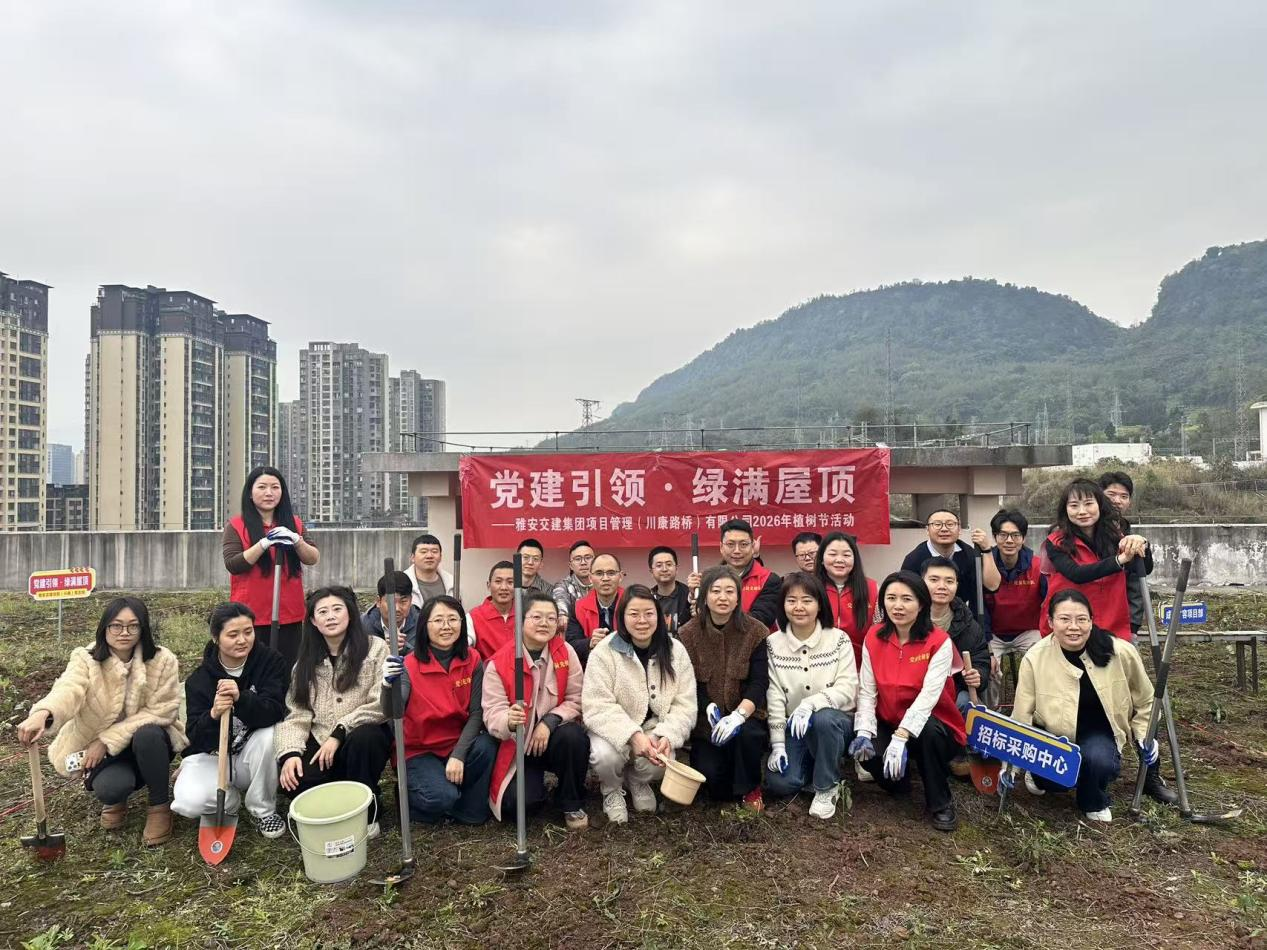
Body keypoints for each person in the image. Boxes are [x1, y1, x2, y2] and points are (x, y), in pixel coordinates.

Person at [16, 597, 188, 846]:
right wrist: (43, 713)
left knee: (148, 734)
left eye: (133, 626)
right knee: (110, 788)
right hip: (103, 750)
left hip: (149, 743)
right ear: (105, 627)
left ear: (143, 628)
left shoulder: (163, 660)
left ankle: (159, 806)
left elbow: (162, 710)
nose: (124, 632)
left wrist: (106, 741)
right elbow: (69, 688)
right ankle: (117, 798)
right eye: (116, 625)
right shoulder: (86, 658)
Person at [1011, 590, 1159, 822]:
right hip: (1052, 734)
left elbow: (1147, 699)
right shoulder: (1035, 657)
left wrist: (1143, 735)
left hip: (1098, 731)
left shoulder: (1119, 651)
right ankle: (1039, 776)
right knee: (1057, 781)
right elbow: (1022, 713)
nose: (1074, 627)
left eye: (1081, 619)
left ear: (1091, 621)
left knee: (1098, 761)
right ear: (1050, 622)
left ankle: (1093, 800)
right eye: (1064, 619)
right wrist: (1013, 764)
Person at [849, 571, 967, 832]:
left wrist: (902, 736)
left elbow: (929, 697)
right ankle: (898, 782)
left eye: (906, 599)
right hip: (888, 719)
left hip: (933, 724)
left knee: (930, 733)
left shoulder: (939, 641)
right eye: (891, 598)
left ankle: (940, 803)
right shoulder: (874, 637)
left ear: (921, 604)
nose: (898, 606)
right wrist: (864, 732)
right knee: (865, 749)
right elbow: (867, 691)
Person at [275, 587, 392, 834]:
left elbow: (380, 703)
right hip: (320, 738)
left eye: (337, 609)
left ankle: (366, 807)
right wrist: (290, 753)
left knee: (366, 738)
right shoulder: (304, 663)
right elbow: (297, 713)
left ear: (350, 613)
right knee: (294, 780)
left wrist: (340, 731)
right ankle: (341, 800)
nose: (330, 616)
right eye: (322, 612)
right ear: (313, 621)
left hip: (359, 736)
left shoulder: (375, 648)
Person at [582, 585, 698, 823]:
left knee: (663, 757)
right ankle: (612, 789)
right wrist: (633, 736)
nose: (642, 621)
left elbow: (685, 703)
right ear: (622, 617)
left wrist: (668, 734)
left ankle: (637, 780)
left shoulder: (675, 650)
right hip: (611, 728)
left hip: (653, 725)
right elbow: (597, 705)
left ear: (659, 615)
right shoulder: (604, 652)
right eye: (634, 614)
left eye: (649, 613)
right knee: (605, 757)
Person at [172, 602, 289, 838]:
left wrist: (242, 698)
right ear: (216, 638)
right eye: (233, 635)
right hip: (213, 758)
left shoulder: (270, 662)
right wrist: (213, 714)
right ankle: (229, 800)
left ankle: (262, 810)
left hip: (253, 757)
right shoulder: (199, 680)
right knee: (187, 803)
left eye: (248, 632)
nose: (242, 640)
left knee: (270, 735)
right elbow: (195, 738)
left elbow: (275, 711)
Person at [381, 596, 497, 825]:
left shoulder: (472, 659)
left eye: (453, 619)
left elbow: (476, 713)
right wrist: (387, 685)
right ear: (425, 625)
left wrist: (458, 754)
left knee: (486, 745)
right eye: (438, 620)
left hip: (455, 742)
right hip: (419, 749)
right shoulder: (408, 665)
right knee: (441, 797)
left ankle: (463, 807)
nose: (446, 626)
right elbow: (393, 711)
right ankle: (418, 796)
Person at [483, 591, 590, 831]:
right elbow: (492, 712)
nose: (544, 623)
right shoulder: (500, 663)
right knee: (518, 805)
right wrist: (508, 720)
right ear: (521, 621)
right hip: (519, 746)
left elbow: (576, 698)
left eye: (551, 618)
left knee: (573, 737)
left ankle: (571, 801)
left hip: (553, 739)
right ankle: (535, 788)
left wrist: (550, 721)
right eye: (537, 617)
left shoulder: (565, 652)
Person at [763, 573, 857, 819]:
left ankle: (827, 785)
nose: (799, 607)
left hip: (835, 723)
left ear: (820, 604)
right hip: (794, 728)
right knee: (780, 783)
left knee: (823, 719)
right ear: (782, 605)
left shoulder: (838, 639)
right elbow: (774, 696)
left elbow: (848, 689)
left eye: (807, 600)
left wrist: (811, 704)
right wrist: (778, 744)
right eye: (791, 600)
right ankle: (818, 765)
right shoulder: (773, 644)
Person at [677, 566, 771, 811]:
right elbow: (687, 682)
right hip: (707, 721)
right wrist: (707, 706)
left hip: (746, 715)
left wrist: (739, 716)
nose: (723, 597)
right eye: (715, 591)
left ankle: (751, 788)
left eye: (730, 591)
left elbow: (759, 682)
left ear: (738, 598)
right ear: (704, 596)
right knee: (715, 783)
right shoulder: (687, 634)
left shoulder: (755, 631)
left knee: (748, 736)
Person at [223, 466, 320, 667]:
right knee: (256, 669)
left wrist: (297, 540)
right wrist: (263, 544)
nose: (269, 493)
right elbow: (233, 564)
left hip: (289, 614)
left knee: (288, 668)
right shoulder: (236, 525)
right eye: (262, 487)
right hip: (250, 616)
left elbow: (312, 557)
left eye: (275, 487)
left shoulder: (294, 523)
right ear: (250, 493)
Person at [1040, 479, 1148, 641]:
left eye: (1089, 504)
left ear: (1100, 505)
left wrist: (1142, 544)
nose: (1082, 511)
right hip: (1069, 627)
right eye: (1074, 505)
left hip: (1111, 624)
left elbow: (1144, 567)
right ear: (1065, 510)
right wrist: (1119, 560)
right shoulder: (1055, 542)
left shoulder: (1115, 538)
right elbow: (1077, 574)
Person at [898, 508, 999, 628]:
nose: (944, 529)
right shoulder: (914, 559)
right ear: (927, 530)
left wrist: (987, 550)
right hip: (925, 622)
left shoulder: (969, 555)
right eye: (937, 524)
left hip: (964, 622)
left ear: (959, 529)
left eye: (950, 524)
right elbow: (906, 596)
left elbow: (993, 586)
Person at [984, 508, 1046, 703]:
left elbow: (1049, 602)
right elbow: (980, 608)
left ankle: (1034, 709)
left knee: (1043, 665)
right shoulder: (984, 564)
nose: (1009, 541)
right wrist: (987, 646)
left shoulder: (1038, 566)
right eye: (1003, 535)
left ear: (1023, 538)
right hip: (994, 634)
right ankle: (990, 713)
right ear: (995, 537)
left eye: (1015, 535)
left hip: (1028, 631)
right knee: (987, 670)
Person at [921, 556, 990, 716]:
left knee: (966, 703)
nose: (942, 586)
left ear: (957, 585)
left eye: (949, 581)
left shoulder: (968, 624)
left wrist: (978, 675)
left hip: (954, 690)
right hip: (916, 689)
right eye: (934, 580)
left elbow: (980, 659)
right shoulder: (908, 619)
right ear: (921, 582)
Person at [1098, 472, 1155, 638]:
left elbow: (1143, 570)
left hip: (1126, 619)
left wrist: (1144, 545)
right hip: (1097, 618)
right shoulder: (1090, 531)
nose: (1117, 501)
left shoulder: (1125, 530)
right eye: (1111, 494)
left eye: (1124, 496)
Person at [814, 531, 878, 669]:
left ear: (855, 559)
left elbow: (879, 633)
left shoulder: (873, 589)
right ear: (821, 558)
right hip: (817, 667)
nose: (839, 560)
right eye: (832, 554)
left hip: (860, 668)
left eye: (846, 555)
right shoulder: (810, 587)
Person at [719, 518, 781, 629]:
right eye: (730, 544)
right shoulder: (709, 580)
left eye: (743, 544)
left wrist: (717, 618)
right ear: (721, 547)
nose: (737, 550)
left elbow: (760, 620)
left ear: (752, 547)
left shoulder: (769, 580)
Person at [566, 553, 624, 666]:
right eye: (599, 573)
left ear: (620, 576)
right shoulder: (577, 608)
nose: (605, 578)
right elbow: (571, 645)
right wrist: (590, 642)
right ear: (590, 578)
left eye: (611, 573)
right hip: (592, 668)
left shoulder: (633, 605)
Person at [363, 570, 421, 653]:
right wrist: (383, 649)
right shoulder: (363, 625)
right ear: (378, 601)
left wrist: (404, 647)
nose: (397, 608)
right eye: (391, 602)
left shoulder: (422, 623)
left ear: (411, 601)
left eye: (403, 601)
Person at [470, 561, 516, 661]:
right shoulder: (473, 617)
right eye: (498, 582)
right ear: (488, 585)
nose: (504, 587)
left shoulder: (526, 614)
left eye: (510, 582)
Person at [648, 545, 695, 634]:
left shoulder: (689, 595)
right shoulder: (647, 598)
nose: (664, 569)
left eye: (669, 564)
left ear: (676, 569)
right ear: (651, 572)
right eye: (659, 565)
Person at [552, 539, 596, 633]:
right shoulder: (562, 586)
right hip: (573, 636)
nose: (583, 562)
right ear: (571, 566)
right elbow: (560, 601)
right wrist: (562, 615)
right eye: (578, 559)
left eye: (588, 557)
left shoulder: (603, 582)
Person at [407, 533, 457, 609]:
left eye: (434, 551)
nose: (429, 556)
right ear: (412, 557)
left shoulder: (452, 583)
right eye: (423, 552)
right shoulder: (402, 582)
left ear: (440, 557)